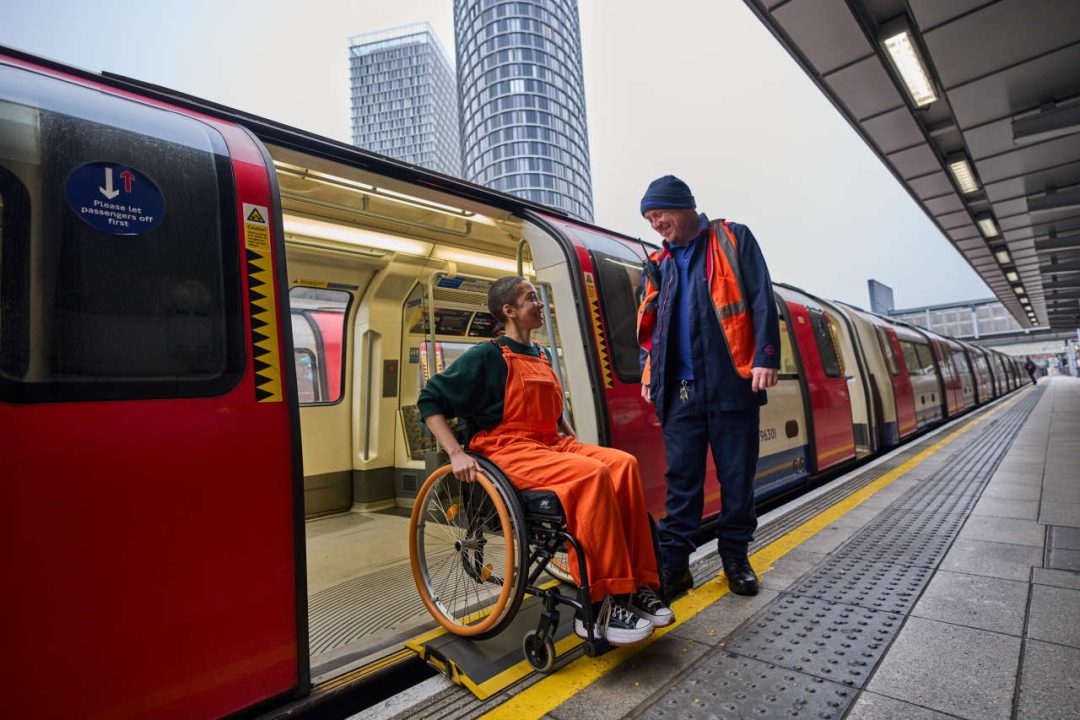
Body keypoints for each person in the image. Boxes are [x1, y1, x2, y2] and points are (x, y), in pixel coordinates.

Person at [418, 276, 673, 645]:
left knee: (624, 465)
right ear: (509, 311)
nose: (539, 304)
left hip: (551, 443)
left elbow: (554, 413)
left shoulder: (542, 355)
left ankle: (638, 585)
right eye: (531, 299)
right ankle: (598, 604)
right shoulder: (488, 355)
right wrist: (456, 453)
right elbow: (430, 400)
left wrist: (572, 439)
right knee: (591, 475)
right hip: (507, 447)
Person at [636, 175, 780, 599]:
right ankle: (675, 567)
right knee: (682, 482)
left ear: (684, 207)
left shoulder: (733, 239)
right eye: (648, 218)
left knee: (737, 480)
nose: (655, 224)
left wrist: (765, 357)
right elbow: (650, 329)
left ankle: (735, 559)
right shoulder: (657, 263)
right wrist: (649, 376)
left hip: (731, 382)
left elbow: (760, 296)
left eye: (659, 213)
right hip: (679, 390)